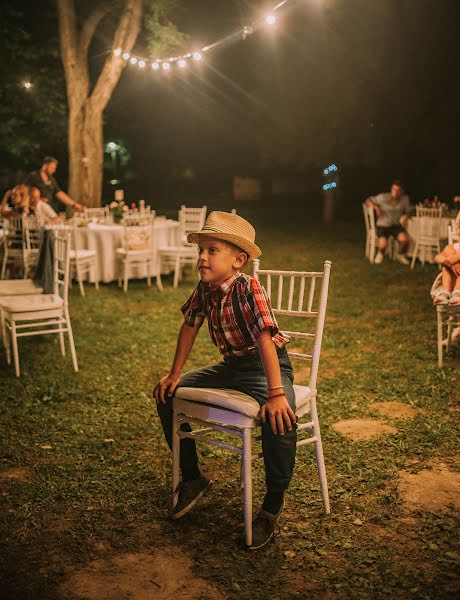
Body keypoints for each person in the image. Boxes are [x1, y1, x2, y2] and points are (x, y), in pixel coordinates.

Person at [153, 211, 297, 550]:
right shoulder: (205, 289)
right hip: (232, 367)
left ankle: (271, 507)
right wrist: (174, 375)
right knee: (167, 395)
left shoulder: (249, 288)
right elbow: (190, 325)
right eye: (200, 250)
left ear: (238, 259)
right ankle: (193, 478)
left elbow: (265, 341)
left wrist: (275, 394)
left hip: (266, 368)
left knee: (281, 417)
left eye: (212, 250)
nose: (202, 257)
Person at [366, 180, 411, 265]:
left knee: (405, 240)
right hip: (383, 225)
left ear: (401, 191)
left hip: (396, 226)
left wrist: (406, 216)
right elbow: (368, 200)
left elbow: (409, 210)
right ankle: (380, 254)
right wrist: (376, 207)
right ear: (391, 189)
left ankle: (400, 255)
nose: (395, 192)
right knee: (383, 245)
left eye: (398, 190)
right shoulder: (383, 197)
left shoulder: (404, 199)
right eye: (394, 189)